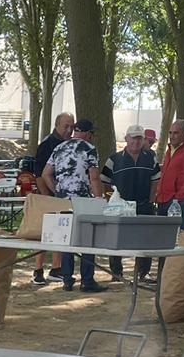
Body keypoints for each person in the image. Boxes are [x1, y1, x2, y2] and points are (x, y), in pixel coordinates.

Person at [39, 118, 106, 292]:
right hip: (83, 200)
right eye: (92, 133)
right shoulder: (89, 149)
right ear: (87, 133)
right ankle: (87, 280)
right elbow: (94, 177)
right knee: (88, 240)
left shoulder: (59, 147)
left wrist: (57, 190)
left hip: (63, 200)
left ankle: (67, 279)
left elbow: (46, 174)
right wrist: (100, 200)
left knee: (67, 239)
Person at [103, 124, 157, 283]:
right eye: (133, 138)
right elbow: (104, 181)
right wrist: (110, 200)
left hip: (143, 205)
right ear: (127, 139)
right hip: (120, 206)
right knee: (116, 239)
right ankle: (116, 273)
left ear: (143, 140)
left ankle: (143, 272)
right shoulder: (114, 159)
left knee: (145, 240)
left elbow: (156, 180)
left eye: (139, 138)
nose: (136, 141)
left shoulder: (150, 158)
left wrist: (151, 199)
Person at [30, 112, 75, 284]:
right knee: (44, 234)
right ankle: (38, 269)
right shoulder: (47, 145)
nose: (69, 130)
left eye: (72, 126)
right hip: (49, 196)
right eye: (66, 126)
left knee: (61, 232)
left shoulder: (70, 145)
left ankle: (57, 268)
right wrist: (47, 197)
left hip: (64, 196)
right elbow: (40, 175)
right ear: (57, 125)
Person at [153, 118, 184, 230]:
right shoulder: (170, 149)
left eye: (176, 133)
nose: (172, 136)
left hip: (179, 202)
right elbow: (165, 172)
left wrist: (179, 198)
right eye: (170, 132)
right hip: (163, 199)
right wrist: (158, 192)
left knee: (177, 237)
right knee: (160, 236)